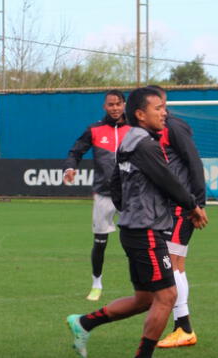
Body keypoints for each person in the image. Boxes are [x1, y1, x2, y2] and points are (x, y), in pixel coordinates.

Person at [65, 87, 208, 358]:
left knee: (145, 299)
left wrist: (129, 211)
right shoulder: (146, 145)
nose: (164, 113)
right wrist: (193, 206)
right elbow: (169, 181)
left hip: (134, 228)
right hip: (147, 231)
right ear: (141, 114)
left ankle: (84, 322)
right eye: (158, 108)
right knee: (167, 296)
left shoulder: (127, 141)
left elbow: (115, 185)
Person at [147, 85, 206, 348]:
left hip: (181, 207)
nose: (160, 110)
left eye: (161, 105)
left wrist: (197, 203)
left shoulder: (173, 127)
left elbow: (194, 161)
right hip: (169, 207)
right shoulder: (151, 132)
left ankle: (184, 327)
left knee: (172, 263)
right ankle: (182, 326)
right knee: (175, 264)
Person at [62, 89, 131, 301]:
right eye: (111, 104)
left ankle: (143, 283)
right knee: (100, 242)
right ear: (104, 107)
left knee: (137, 241)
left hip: (131, 195)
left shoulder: (135, 129)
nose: (115, 108)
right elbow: (76, 151)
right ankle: (96, 284)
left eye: (118, 103)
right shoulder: (94, 129)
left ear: (124, 105)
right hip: (104, 194)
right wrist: (70, 168)